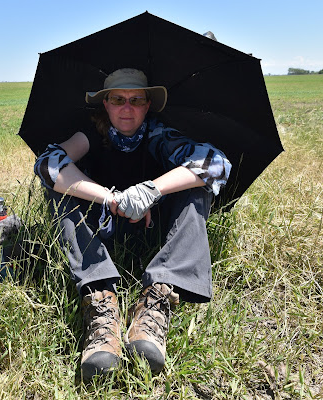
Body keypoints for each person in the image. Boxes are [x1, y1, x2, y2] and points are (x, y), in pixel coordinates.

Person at [34, 68, 231, 382]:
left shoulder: (159, 136)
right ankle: (101, 305)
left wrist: (151, 191)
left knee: (198, 188)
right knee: (58, 189)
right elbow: (47, 164)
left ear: (148, 105)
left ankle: (156, 301)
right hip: (98, 230)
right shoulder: (90, 136)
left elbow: (217, 162)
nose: (127, 108)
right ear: (106, 105)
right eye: (118, 99)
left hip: (154, 227)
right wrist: (110, 199)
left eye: (136, 100)